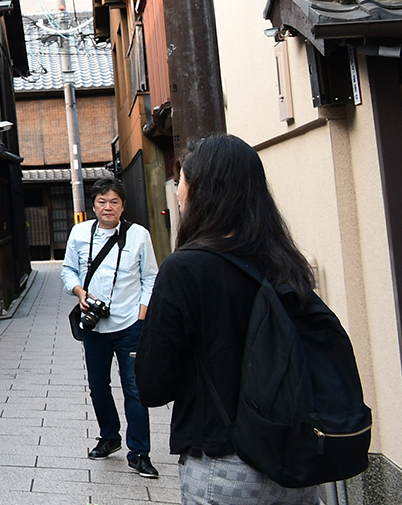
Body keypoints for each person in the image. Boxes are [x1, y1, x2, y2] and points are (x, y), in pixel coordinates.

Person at [136, 134, 319, 505]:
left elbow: (153, 385)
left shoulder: (185, 269)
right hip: (294, 460)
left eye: (182, 181)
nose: (178, 192)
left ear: (203, 191)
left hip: (224, 463)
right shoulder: (286, 261)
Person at [62, 178, 160, 478]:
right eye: (102, 201)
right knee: (97, 386)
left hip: (130, 324)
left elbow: (151, 277)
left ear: (123, 205)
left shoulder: (139, 235)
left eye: (114, 201)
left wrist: (143, 312)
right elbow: (68, 270)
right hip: (93, 326)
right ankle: (109, 437)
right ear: (93, 205)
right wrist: (79, 292)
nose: (108, 207)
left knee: (134, 389)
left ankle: (140, 452)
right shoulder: (80, 233)